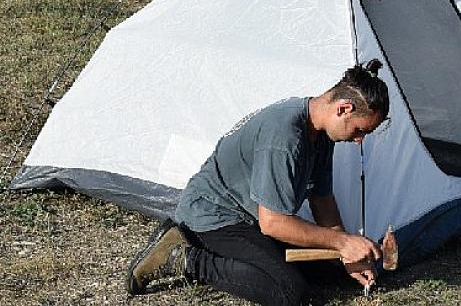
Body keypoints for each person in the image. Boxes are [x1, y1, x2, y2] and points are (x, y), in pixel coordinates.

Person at [126, 59, 391, 305]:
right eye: (360, 130)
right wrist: (343, 243)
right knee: (289, 291)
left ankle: (225, 256)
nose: (359, 140)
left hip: (251, 220)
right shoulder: (285, 137)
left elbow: (322, 199)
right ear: (344, 108)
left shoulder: (322, 134)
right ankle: (183, 257)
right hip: (214, 215)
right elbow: (273, 223)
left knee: (332, 269)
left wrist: (345, 252)